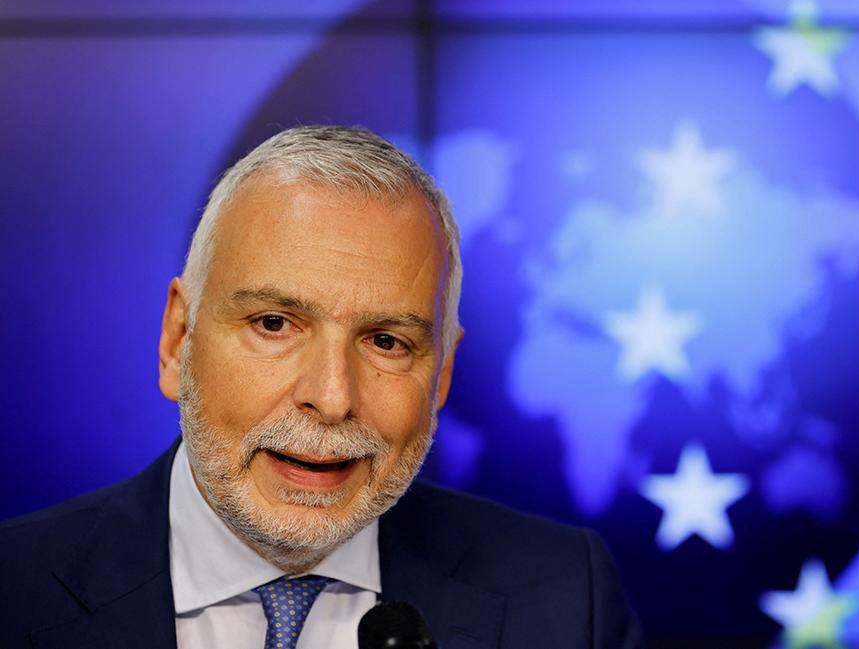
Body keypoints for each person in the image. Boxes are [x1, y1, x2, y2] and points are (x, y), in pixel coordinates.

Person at [0, 126, 644, 649]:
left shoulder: (566, 599)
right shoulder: (15, 587)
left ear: (442, 375)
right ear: (178, 341)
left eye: (386, 341)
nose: (333, 399)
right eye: (274, 324)